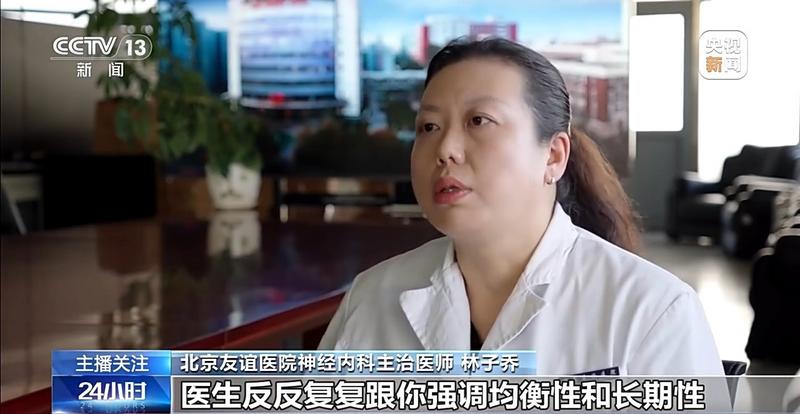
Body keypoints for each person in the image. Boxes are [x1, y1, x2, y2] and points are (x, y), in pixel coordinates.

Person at [318, 38, 724, 376]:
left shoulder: (652, 310)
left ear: (553, 156)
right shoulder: (373, 297)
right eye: (429, 127)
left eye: (479, 121)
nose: (445, 149)